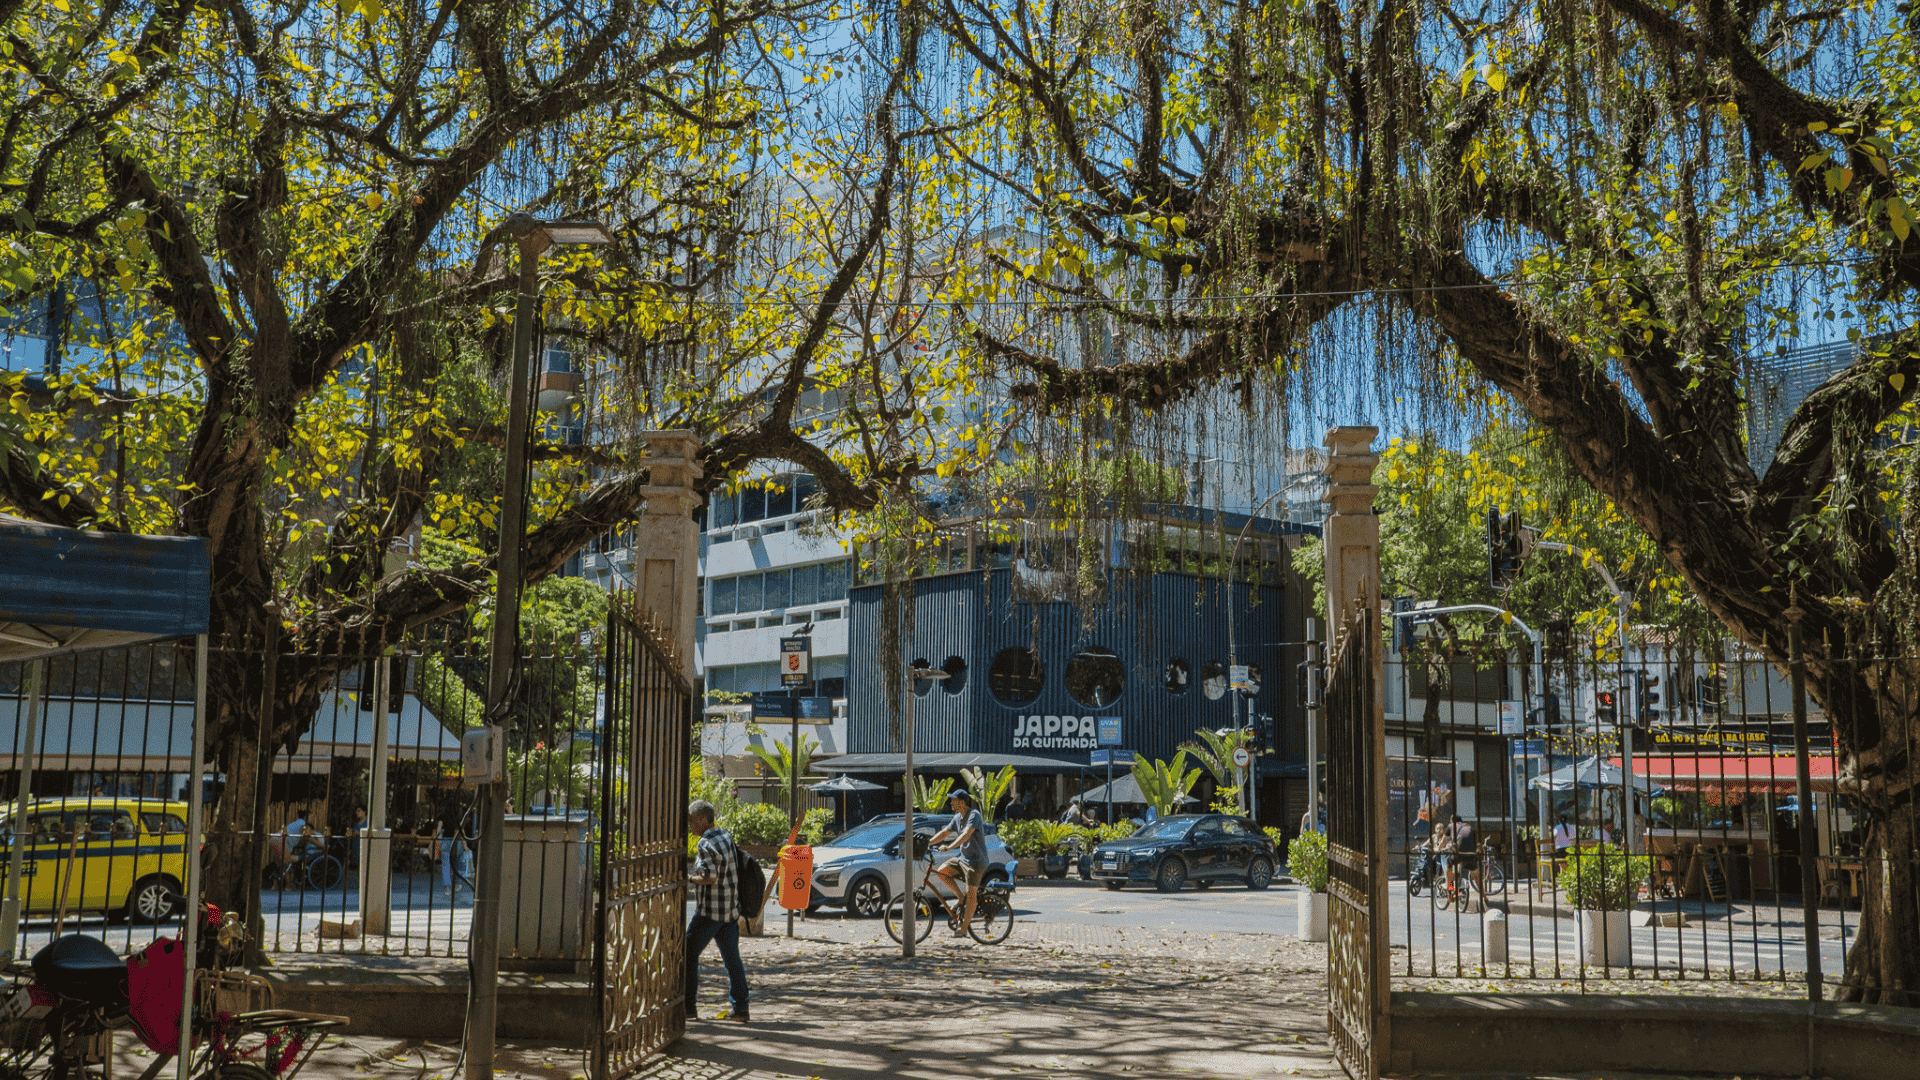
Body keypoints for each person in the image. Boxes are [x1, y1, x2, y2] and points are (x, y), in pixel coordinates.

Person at [684, 799, 749, 1021]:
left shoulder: (705, 843)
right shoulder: (724, 835)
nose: (689, 825)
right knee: (733, 960)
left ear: (702, 819)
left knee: (688, 954)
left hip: (710, 912)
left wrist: (689, 879)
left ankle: (688, 1007)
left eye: (691, 820)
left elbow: (710, 876)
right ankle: (741, 1008)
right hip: (729, 910)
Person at [927, 789, 988, 938]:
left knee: (971, 893)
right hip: (963, 859)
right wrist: (928, 842)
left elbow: (966, 834)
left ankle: (964, 928)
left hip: (976, 862)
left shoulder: (974, 815)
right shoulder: (957, 818)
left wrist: (949, 847)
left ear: (962, 802)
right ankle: (961, 898)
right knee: (942, 870)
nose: (951, 803)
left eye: (953, 800)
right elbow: (945, 833)